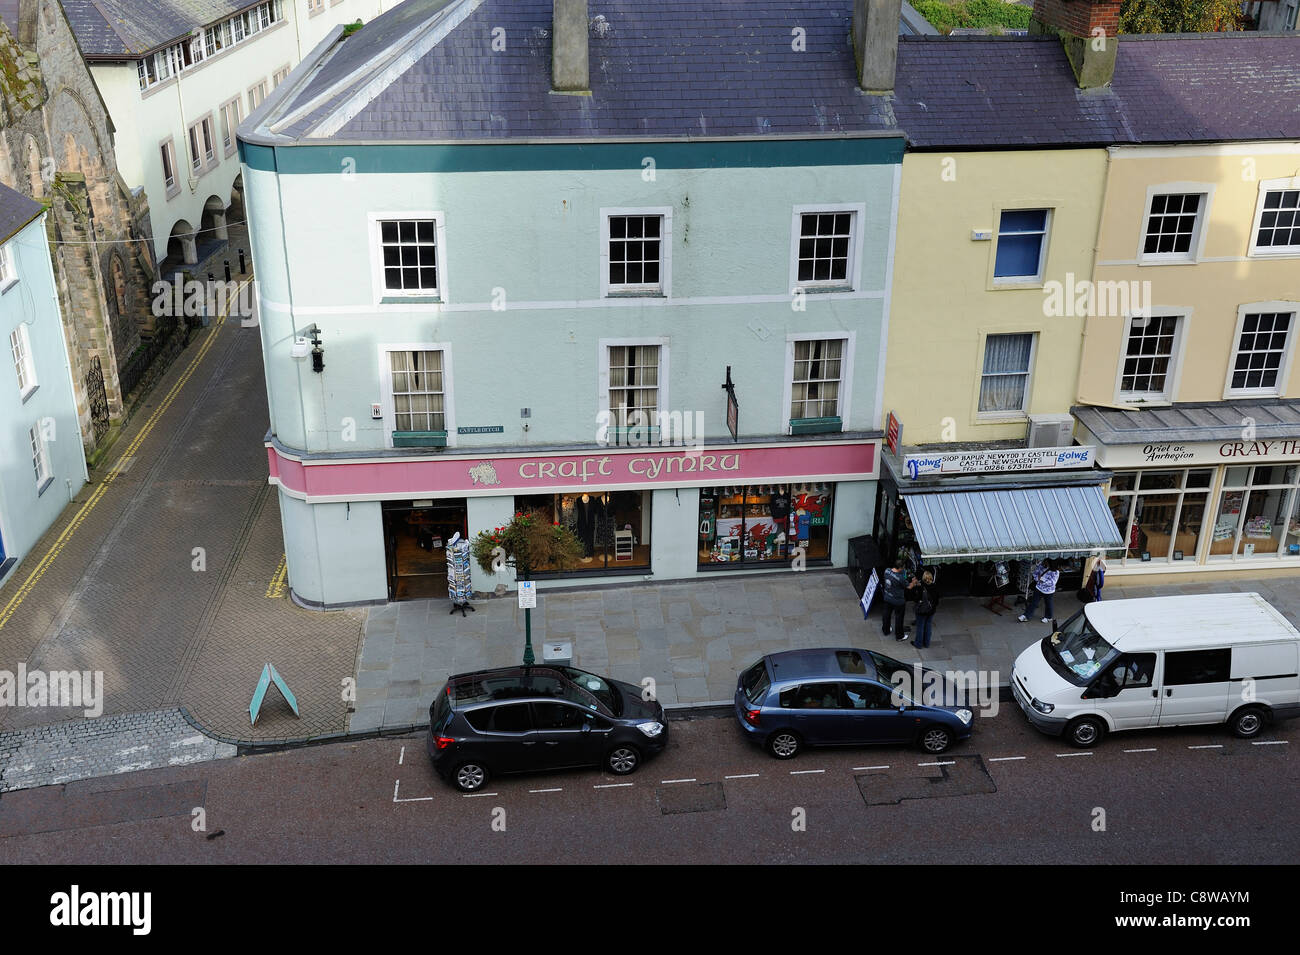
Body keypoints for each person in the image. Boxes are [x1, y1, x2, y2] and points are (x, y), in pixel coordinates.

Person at [1019, 558, 1060, 623]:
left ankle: (1048, 617)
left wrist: (1042, 579)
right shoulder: (1041, 566)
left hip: (1048, 591)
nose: (1044, 562)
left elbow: (1052, 583)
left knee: (1048, 604)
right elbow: (1035, 574)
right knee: (1033, 603)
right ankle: (1026, 616)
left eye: (1046, 561)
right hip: (1039, 588)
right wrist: (1038, 580)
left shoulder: (1056, 572)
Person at [909, 569, 941, 649]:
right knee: (928, 626)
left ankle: (918, 644)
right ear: (931, 578)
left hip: (921, 610)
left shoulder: (921, 587)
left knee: (920, 627)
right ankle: (927, 643)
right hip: (931, 610)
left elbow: (915, 599)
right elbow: (937, 600)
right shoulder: (935, 587)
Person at [881, 554, 909, 641]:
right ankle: (899, 636)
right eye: (903, 568)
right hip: (898, 601)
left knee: (886, 614)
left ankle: (886, 630)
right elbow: (908, 586)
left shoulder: (886, 571)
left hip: (887, 597)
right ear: (900, 568)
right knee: (899, 618)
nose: (903, 569)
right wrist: (914, 582)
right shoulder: (900, 578)